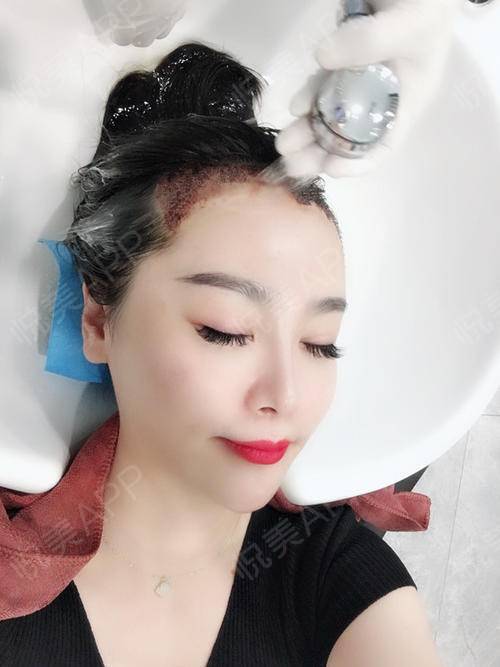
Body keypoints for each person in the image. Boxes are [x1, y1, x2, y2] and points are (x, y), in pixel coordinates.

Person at [0, 41, 443, 666]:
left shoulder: (339, 582)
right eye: (225, 331)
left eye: (320, 343)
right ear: (98, 318)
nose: (285, 395)